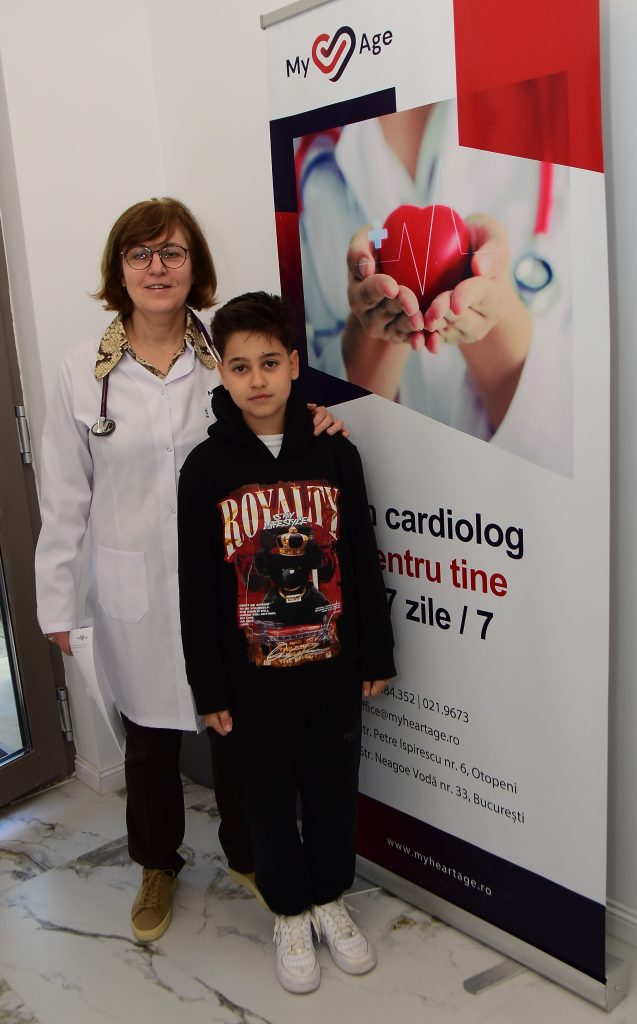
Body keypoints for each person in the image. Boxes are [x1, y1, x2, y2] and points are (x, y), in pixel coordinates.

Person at [34, 198, 346, 943]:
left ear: (193, 266)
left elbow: (272, 416)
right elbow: (64, 495)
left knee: (238, 728)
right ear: (119, 270)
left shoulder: (222, 354)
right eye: (140, 254)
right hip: (132, 588)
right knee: (149, 741)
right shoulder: (82, 370)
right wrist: (57, 604)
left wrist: (320, 423)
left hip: (229, 584)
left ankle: (247, 855)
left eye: (171, 252)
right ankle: (156, 864)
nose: (157, 267)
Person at [177, 291, 396, 993]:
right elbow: (197, 586)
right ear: (221, 372)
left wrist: (376, 653)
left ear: (294, 364)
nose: (257, 380)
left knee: (333, 795)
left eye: (270, 362)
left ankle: (329, 898)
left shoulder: (335, 452)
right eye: (240, 367)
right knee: (267, 804)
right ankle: (289, 911)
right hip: (252, 685)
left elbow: (361, 556)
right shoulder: (204, 470)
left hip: (332, 673)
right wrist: (209, 686)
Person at [298, 101, 572, 475]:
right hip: (383, 495)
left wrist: (493, 313)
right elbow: (307, 429)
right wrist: (370, 334)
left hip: (510, 498)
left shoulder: (558, 120)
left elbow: (577, 441)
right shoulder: (305, 155)